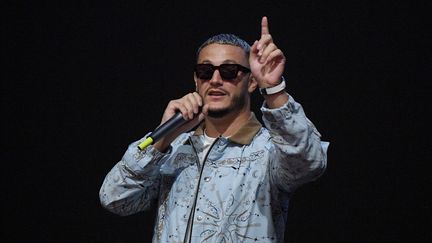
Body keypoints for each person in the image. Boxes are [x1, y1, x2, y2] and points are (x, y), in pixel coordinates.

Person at [100, 16, 329, 243]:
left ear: (251, 82)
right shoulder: (174, 148)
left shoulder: (270, 149)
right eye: (205, 71)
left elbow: (308, 161)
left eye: (229, 70)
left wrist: (274, 91)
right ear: (196, 80)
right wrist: (162, 137)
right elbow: (114, 198)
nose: (216, 79)